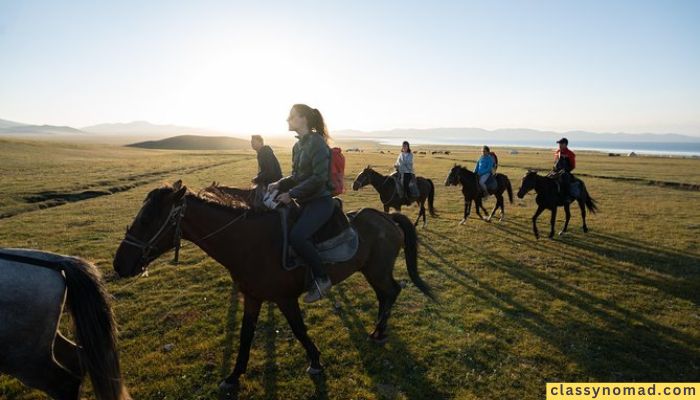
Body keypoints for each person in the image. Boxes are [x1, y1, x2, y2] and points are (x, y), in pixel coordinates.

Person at [268, 104, 335, 303]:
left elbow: (319, 178)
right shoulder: (298, 146)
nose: (287, 120)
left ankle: (322, 279)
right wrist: (279, 183)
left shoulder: (317, 143)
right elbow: (298, 176)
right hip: (305, 201)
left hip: (320, 201)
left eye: (292, 116)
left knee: (298, 236)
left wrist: (291, 194)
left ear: (304, 119)